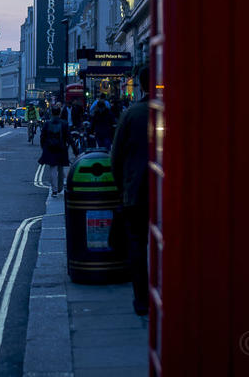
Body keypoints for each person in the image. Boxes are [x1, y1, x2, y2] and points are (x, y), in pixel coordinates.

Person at [110, 66, 151, 316]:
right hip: (168, 196)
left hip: (136, 191)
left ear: (140, 83)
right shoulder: (178, 110)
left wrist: (121, 187)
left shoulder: (131, 114)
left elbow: (116, 158)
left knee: (137, 245)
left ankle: (141, 299)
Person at [38, 105, 70, 197]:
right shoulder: (64, 123)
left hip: (50, 149)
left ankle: (54, 190)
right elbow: (68, 138)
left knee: (52, 169)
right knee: (60, 168)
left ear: (51, 113)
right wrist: (75, 150)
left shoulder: (47, 124)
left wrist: (43, 147)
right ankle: (60, 188)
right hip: (61, 149)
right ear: (59, 113)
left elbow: (42, 136)